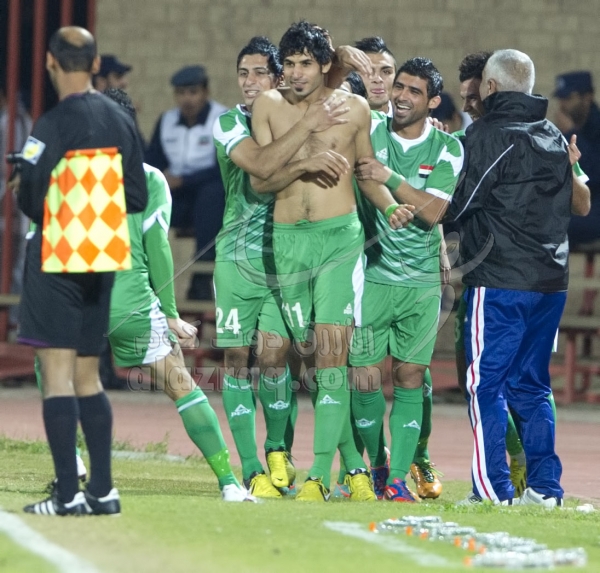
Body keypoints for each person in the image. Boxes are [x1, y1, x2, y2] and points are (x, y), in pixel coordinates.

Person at [251, 21, 414, 502]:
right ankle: (340, 464)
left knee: (331, 357)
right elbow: (261, 180)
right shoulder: (268, 106)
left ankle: (320, 475)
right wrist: (304, 148)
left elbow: (365, 173)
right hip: (286, 243)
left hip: (339, 241)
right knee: (290, 354)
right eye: (290, 64)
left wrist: (390, 206)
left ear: (325, 66)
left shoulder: (356, 108)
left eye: (306, 63)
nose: (296, 73)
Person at [448, 49, 590, 507]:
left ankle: (493, 490)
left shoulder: (486, 136)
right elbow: (581, 204)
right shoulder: (552, 134)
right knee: (532, 385)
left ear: (490, 87)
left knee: (484, 384)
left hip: (500, 281)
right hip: (551, 283)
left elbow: (456, 205)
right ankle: (545, 490)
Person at [16, 26, 147, 516]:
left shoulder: (49, 124)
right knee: (89, 377)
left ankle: (69, 495)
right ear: (94, 64)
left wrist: (39, 191)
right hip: (102, 256)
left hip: (57, 258)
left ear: (51, 63)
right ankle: (103, 491)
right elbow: (136, 196)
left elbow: (30, 196)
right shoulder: (121, 118)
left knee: (57, 379)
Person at [212, 36, 350, 498]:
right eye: (242, 73)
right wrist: (305, 159)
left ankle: (276, 450)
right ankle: (251, 467)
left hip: (284, 255)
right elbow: (260, 169)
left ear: (278, 78)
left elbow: (329, 88)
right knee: (235, 359)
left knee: (275, 356)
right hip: (236, 257)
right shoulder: (229, 122)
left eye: (260, 73)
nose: (250, 82)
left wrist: (338, 61)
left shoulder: (291, 113)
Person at [103, 88, 255, 503]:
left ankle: (76, 470)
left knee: (60, 376)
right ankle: (229, 483)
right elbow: (158, 249)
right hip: (129, 300)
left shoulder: (68, 173)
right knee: (181, 385)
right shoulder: (149, 178)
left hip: (78, 296)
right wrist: (170, 312)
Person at [351, 57, 464, 502]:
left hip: (420, 282)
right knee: (363, 379)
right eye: (399, 86)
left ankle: (398, 477)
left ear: (433, 102)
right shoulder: (370, 129)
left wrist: (389, 176)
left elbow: (434, 212)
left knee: (411, 376)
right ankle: (378, 465)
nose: (401, 95)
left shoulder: (447, 147)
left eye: (414, 91)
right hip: (371, 275)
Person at [145, 65, 227, 300]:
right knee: (146, 201)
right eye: (181, 93)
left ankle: (200, 281)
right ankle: (146, 281)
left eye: (193, 92)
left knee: (212, 194)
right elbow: (152, 162)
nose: (187, 99)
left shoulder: (222, 119)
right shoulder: (167, 120)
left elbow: (222, 170)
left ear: (205, 92)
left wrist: (183, 180)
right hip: (177, 197)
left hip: (210, 197)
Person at [553, 70, 600, 246]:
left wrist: (571, 132)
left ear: (587, 97)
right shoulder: (563, 129)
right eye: (561, 99)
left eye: (568, 98)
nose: (563, 105)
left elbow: (594, 174)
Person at [0, 77, 32, 326]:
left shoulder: (12, 121)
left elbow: (14, 166)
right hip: (13, 205)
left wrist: (7, 198)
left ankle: (13, 322)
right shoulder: (14, 119)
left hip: (11, 205)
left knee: (12, 267)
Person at [353, 36, 396, 116]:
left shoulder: (411, 121)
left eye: (386, 72)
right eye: (367, 71)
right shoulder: (337, 119)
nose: (378, 79)